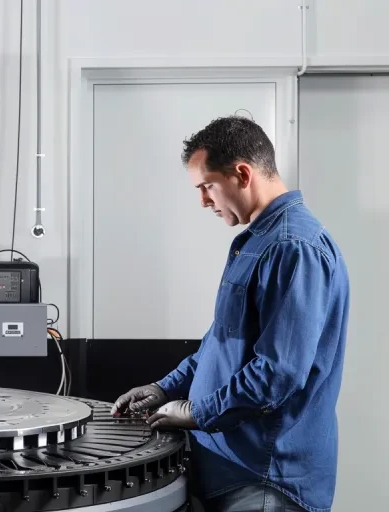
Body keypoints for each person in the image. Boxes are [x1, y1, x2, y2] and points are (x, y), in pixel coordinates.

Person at [111, 116, 350, 512]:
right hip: (232, 470)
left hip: (266, 479)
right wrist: (165, 388)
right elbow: (220, 342)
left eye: (206, 187)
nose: (203, 201)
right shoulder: (259, 242)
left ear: (241, 173)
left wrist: (195, 411)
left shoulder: (292, 247)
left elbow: (279, 372)